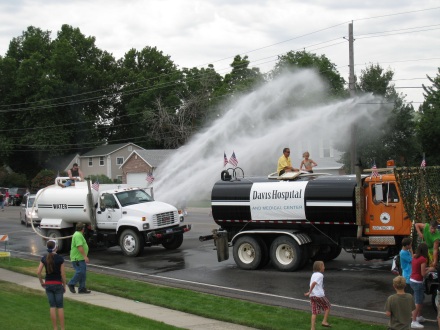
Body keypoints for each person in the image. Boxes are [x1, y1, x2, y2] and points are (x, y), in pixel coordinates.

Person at [37, 240, 66, 330]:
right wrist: (64, 286)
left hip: (48, 284)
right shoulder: (60, 259)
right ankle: (62, 328)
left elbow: (38, 272)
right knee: (60, 307)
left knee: (52, 306)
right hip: (57, 284)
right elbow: (63, 275)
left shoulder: (44, 258)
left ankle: (55, 328)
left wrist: (42, 282)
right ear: (56, 247)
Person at [409, 242, 435, 328]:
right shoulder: (423, 259)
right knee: (418, 302)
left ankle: (419, 317)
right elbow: (423, 273)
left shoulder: (415, 257)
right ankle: (414, 321)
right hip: (418, 282)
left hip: (412, 280)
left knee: (420, 299)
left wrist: (426, 268)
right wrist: (430, 269)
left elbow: (418, 268)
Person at [304, 260, 331, 329]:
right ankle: (324, 321)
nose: (324, 267)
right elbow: (314, 283)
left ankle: (312, 328)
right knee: (327, 306)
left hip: (313, 296)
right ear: (320, 267)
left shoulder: (314, 274)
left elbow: (316, 284)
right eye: (323, 266)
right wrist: (309, 291)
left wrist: (310, 293)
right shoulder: (320, 275)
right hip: (318, 295)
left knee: (314, 312)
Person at [415, 220, 440, 289]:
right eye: (432, 228)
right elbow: (416, 224)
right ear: (429, 226)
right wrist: (419, 233)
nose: (433, 230)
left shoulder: (437, 237)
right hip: (424, 247)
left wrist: (435, 260)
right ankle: (420, 276)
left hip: (431, 250)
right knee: (421, 262)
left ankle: (427, 279)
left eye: (434, 229)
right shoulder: (425, 226)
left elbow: (435, 250)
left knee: (433, 266)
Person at [67, 222, 91, 294]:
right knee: (80, 272)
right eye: (84, 228)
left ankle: (82, 288)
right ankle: (71, 283)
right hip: (77, 258)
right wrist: (85, 256)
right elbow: (79, 246)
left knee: (83, 273)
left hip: (80, 258)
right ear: (82, 229)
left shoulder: (78, 234)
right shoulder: (78, 235)